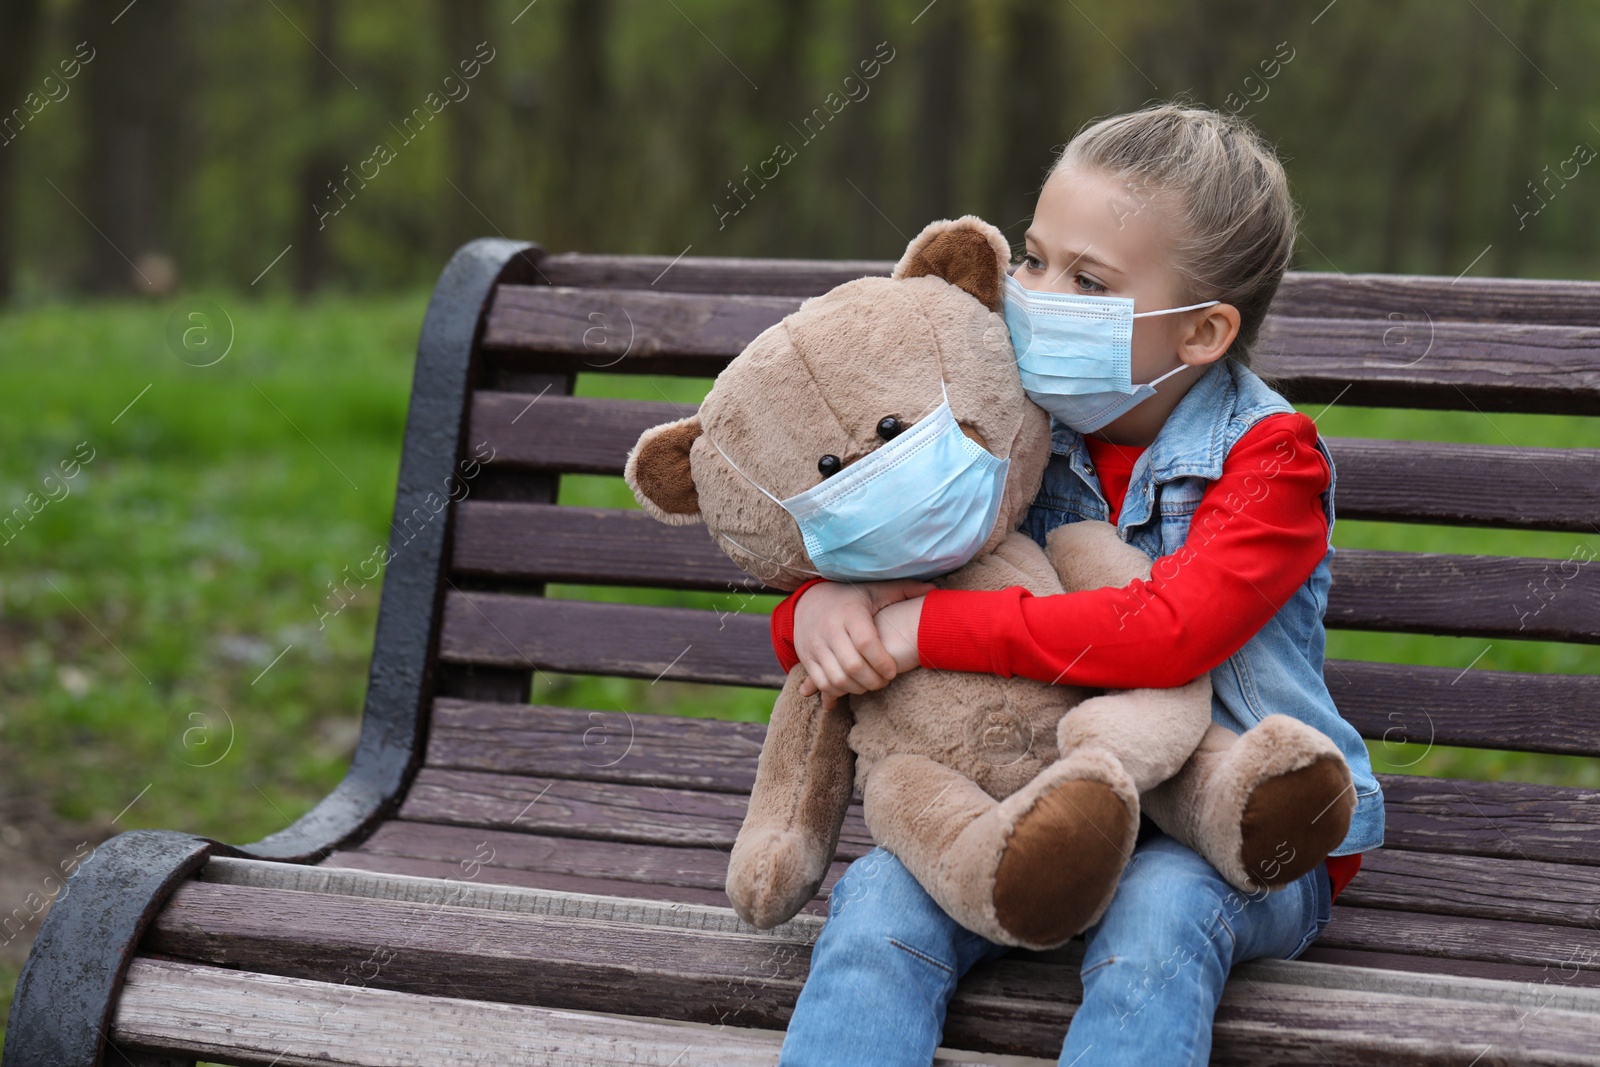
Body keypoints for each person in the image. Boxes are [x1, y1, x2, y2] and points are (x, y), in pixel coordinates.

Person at [770, 103, 1385, 1066]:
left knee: (1161, 906)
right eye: (1033, 257)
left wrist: (931, 627)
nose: (1034, 294)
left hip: (1234, 833)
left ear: (1203, 332)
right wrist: (819, 607)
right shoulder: (1008, 419)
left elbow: (1167, 632)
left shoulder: (1272, 464)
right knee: (883, 895)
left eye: (1088, 280)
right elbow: (873, 542)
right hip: (1036, 804)